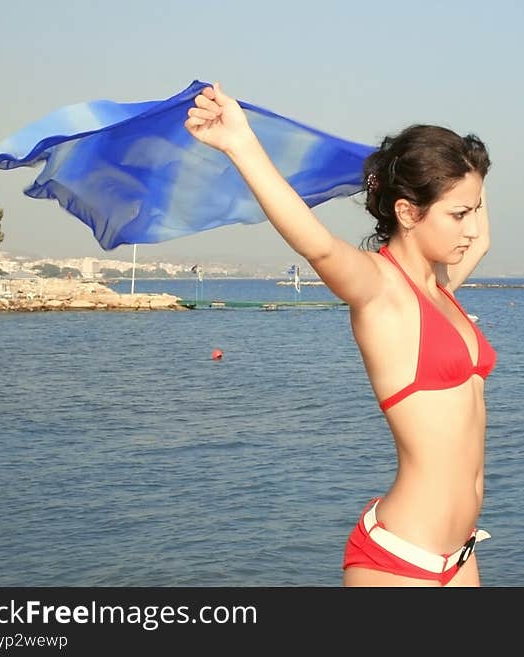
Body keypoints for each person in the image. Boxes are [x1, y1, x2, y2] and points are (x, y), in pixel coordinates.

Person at [185, 83, 496, 587]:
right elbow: (317, 244)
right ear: (407, 212)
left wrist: (471, 164)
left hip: (458, 556)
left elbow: (481, 237)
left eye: (473, 210)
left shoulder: (441, 289)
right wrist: (240, 141)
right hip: (400, 558)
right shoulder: (379, 289)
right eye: (458, 214)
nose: (469, 227)